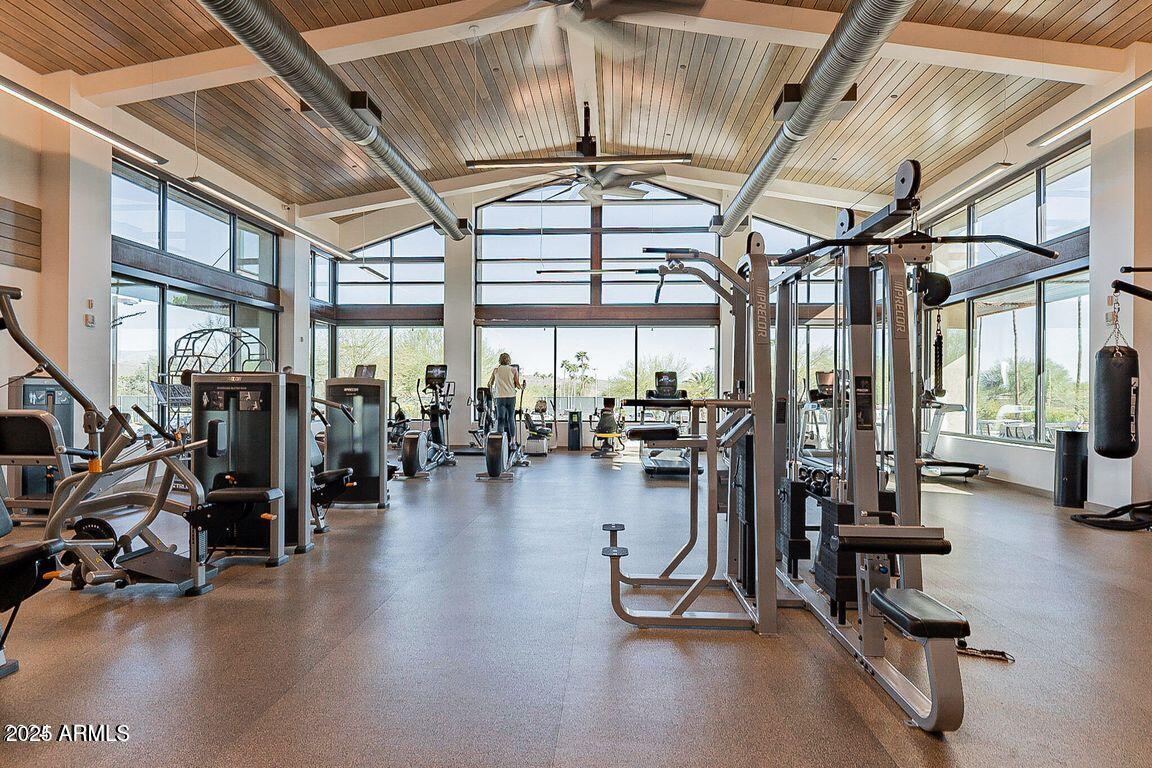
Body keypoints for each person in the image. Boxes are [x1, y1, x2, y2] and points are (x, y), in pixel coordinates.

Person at [487, 352, 521, 447]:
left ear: (500, 360)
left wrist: (493, 385)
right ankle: (513, 441)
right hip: (511, 397)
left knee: (500, 419)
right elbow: (518, 385)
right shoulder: (514, 370)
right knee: (511, 418)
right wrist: (522, 387)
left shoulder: (496, 370)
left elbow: (490, 383)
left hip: (500, 397)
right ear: (509, 360)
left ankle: (500, 441)